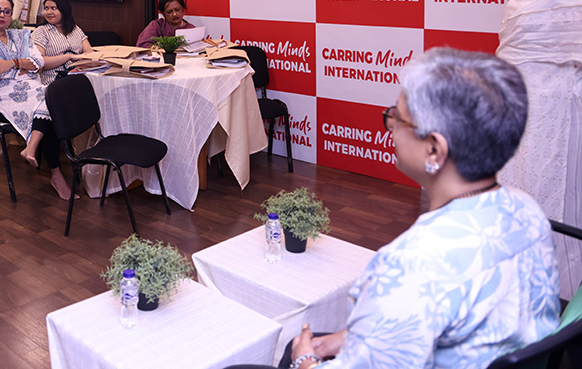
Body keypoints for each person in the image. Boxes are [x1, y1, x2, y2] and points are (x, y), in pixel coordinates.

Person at [231, 48, 561, 369]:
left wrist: (305, 360)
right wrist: (352, 338)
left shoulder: (410, 263)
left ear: (434, 149)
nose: (390, 127)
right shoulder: (528, 212)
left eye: (397, 118)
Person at [497, 0, 582, 301]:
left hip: (559, 108)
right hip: (520, 103)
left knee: (555, 197)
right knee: (515, 187)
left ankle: (556, 290)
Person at [0, 0, 73, 200]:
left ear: (11, 15)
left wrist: (12, 63)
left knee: (50, 101)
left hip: (33, 90)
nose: (1, 15)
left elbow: (38, 61)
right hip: (0, 97)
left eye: (6, 11)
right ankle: (55, 174)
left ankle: (33, 150)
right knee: (49, 106)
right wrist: (23, 65)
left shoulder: (21, 36)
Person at [32, 0, 93, 85]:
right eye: (46, 8)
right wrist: (68, 57)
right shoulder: (41, 31)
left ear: (64, 10)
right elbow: (40, 62)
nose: (49, 12)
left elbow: (90, 54)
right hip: (53, 82)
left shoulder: (76, 29)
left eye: (53, 8)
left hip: (77, 78)